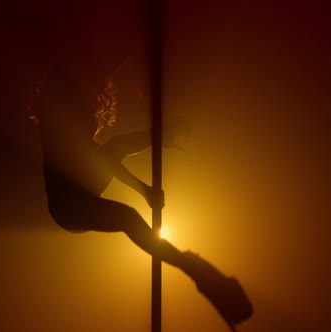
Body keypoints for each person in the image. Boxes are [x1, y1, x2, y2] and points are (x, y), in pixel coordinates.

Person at [29, 1, 252, 327]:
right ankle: (199, 272)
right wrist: (143, 189)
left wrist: (145, 31)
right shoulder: (57, 110)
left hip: (82, 188)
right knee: (128, 217)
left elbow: (107, 72)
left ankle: (204, 277)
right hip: (67, 205)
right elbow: (98, 155)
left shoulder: (75, 93)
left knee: (118, 156)